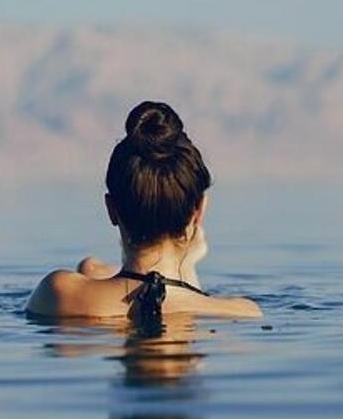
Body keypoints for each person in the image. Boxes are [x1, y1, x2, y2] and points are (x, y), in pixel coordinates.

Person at [26, 100, 262, 322]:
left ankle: (183, 264)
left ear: (111, 209)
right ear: (199, 212)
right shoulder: (243, 313)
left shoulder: (57, 293)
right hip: (186, 297)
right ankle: (184, 265)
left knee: (88, 267)